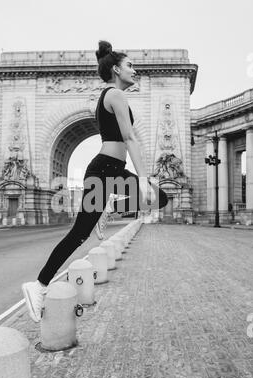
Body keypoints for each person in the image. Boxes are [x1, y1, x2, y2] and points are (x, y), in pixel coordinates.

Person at [22, 40, 168, 323]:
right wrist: (143, 177)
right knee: (79, 234)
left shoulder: (109, 95)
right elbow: (129, 137)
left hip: (109, 170)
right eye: (130, 66)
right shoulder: (115, 94)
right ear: (116, 69)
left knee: (159, 198)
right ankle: (38, 285)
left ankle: (109, 209)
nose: (135, 70)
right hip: (104, 170)